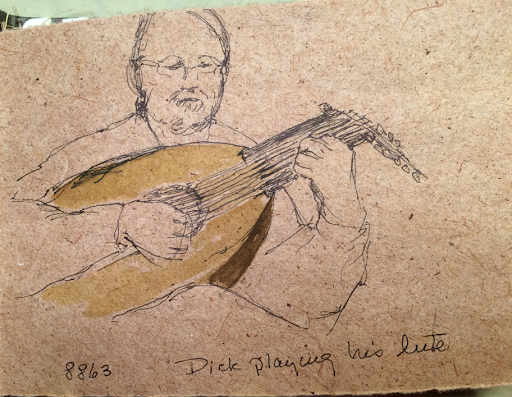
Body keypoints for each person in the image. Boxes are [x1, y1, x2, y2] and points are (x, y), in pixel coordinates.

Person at [15, 9, 369, 332]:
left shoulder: (254, 165)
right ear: (137, 75)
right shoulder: (87, 155)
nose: (191, 81)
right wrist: (120, 224)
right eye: (172, 65)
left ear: (223, 75)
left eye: (206, 65)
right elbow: (15, 240)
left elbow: (311, 306)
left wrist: (343, 208)